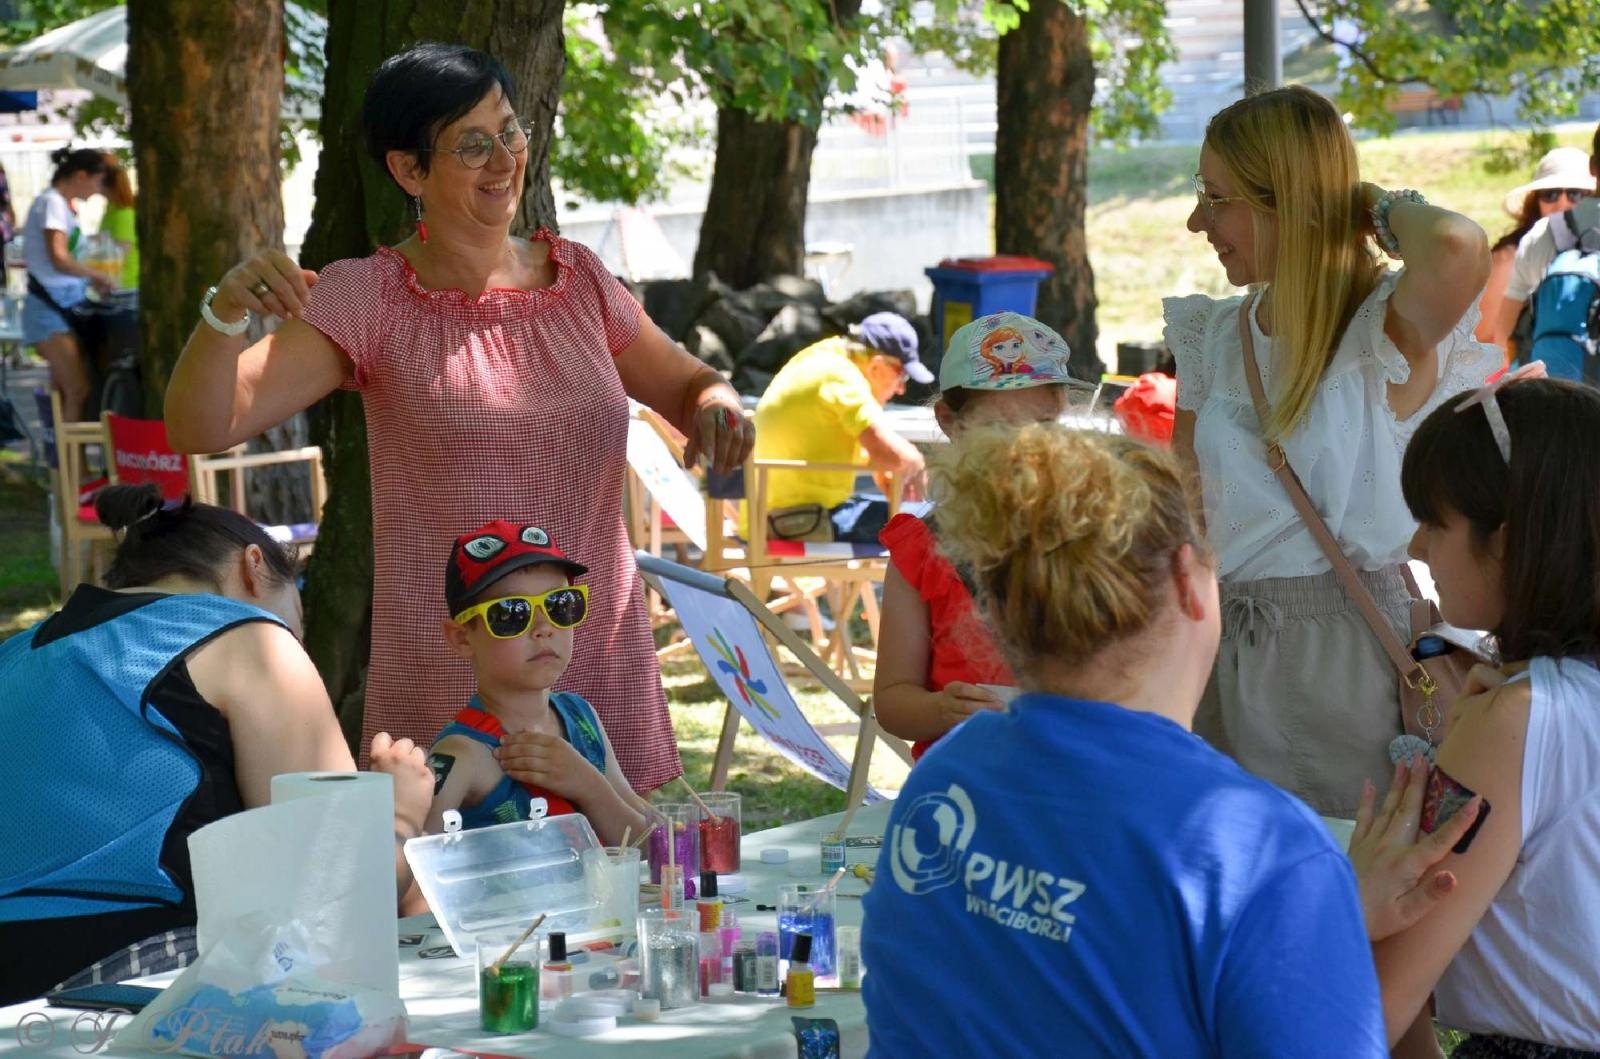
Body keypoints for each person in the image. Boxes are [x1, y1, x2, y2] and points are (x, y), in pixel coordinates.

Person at [162, 44, 753, 790]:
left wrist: (716, 405)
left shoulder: (582, 281)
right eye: (472, 144)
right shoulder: (368, 297)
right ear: (408, 170)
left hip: (590, 655)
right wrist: (224, 314)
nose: (503, 159)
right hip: (453, 676)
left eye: (511, 131)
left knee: (617, 888)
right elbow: (202, 425)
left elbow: (690, 383)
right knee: (452, 892)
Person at [860, 423, 1476, 1057]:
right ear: (1188, 580)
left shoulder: (947, 776)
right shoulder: (1261, 850)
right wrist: (1315, 918)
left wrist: (1316, 920)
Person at [1166, 85, 1496, 816]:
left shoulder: (1378, 328)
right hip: (1219, 642)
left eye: (1216, 198)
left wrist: (1367, 203)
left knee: (1343, 892)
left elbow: (1456, 246)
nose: (1197, 221)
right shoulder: (1214, 334)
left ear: (1285, 200)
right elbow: (1180, 509)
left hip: (1344, 650)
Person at [0, 484, 434, 1005]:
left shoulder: (15, 654)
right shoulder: (248, 639)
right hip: (140, 980)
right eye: (293, 621)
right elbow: (338, 894)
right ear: (253, 567)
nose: (293, 641)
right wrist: (401, 817)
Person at [1372, 374, 1600, 1056]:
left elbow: (1375, 1008)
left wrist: (1351, 899)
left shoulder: (1517, 718)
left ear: (1502, 542)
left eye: (1434, 522)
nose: (1416, 549)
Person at [872, 311, 1077, 760]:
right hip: (964, 784)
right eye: (1001, 429)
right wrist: (942, 709)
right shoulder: (922, 549)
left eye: (1044, 426)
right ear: (949, 420)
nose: (1026, 448)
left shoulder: (1091, 536)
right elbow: (891, 702)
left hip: (1073, 779)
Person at [425, 520, 650, 845]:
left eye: (560, 604)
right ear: (462, 638)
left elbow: (646, 847)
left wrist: (588, 785)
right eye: (511, 613)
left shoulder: (581, 716)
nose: (543, 627)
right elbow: (408, 867)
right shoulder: (463, 754)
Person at [746, 311, 932, 544]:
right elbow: (894, 454)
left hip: (771, 514)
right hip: (800, 519)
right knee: (926, 522)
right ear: (876, 366)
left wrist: (877, 463)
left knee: (904, 517)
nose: (901, 390)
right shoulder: (842, 378)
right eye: (902, 376)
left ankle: (862, 583)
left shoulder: (822, 357)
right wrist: (917, 463)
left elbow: (822, 444)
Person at [21, 147, 113, 423]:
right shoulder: (52, 204)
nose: (98, 190)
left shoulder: (58, 204)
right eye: (97, 181)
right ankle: (72, 465)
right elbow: (59, 258)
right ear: (81, 176)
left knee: (65, 391)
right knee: (77, 389)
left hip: (59, 307)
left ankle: (68, 463)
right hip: (50, 311)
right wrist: (97, 276)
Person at [1493, 125, 1600, 361]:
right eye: (1551, 193)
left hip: (1559, 390)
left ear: (1592, 168)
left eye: (1574, 192)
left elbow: (1504, 337)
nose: (1562, 202)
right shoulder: (1510, 251)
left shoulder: (1541, 234)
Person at [100, 154, 140, 290]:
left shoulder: (124, 215)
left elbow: (118, 257)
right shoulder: (111, 210)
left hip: (125, 288)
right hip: (114, 286)